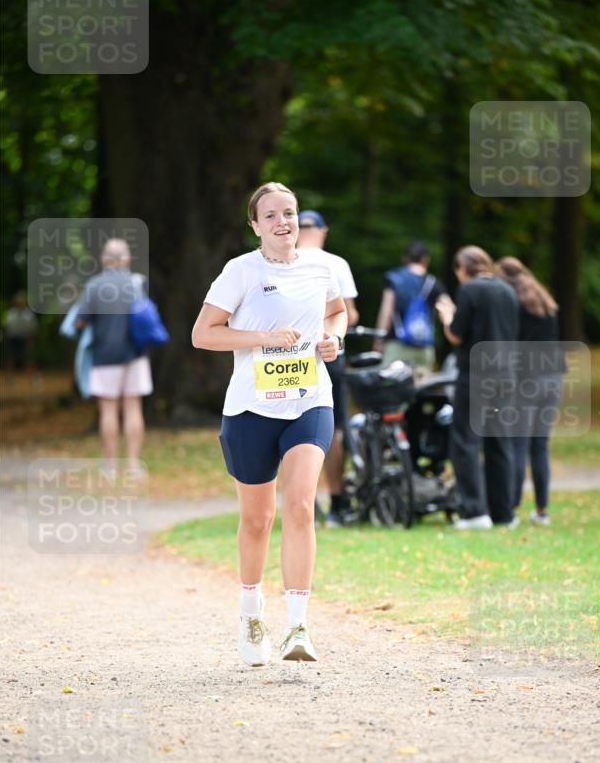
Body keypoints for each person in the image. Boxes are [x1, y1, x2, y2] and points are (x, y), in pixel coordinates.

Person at [191, 182, 347, 667]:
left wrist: (333, 341)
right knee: (257, 520)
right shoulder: (241, 271)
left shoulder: (324, 267)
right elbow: (202, 334)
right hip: (250, 409)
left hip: (309, 400)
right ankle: (250, 612)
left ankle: (298, 626)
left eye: (291, 213)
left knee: (300, 504)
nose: (284, 222)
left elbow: (337, 313)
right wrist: (262, 338)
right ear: (255, 225)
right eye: (272, 215)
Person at [436, 245, 519, 530]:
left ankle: (474, 511)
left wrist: (447, 316)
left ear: (463, 268)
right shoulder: (508, 290)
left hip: (476, 375)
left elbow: (456, 336)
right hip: (506, 376)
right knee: (499, 442)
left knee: (465, 442)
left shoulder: (470, 290)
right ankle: (503, 512)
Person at [296, 209, 359, 527]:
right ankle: (337, 501)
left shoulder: (281, 261)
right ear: (323, 231)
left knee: (286, 423)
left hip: (289, 355)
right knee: (332, 427)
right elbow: (349, 314)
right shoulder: (336, 263)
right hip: (328, 351)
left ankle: (300, 500)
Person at [75, 239, 153, 474]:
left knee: (108, 410)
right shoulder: (137, 283)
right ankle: (132, 464)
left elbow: (80, 321)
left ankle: (109, 465)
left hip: (104, 355)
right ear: (127, 259)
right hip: (135, 355)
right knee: (133, 408)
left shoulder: (94, 286)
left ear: (105, 260)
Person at [496, 256, 564, 526]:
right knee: (540, 446)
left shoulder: (514, 303)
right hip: (553, 378)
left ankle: (510, 508)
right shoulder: (545, 302)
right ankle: (542, 509)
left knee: (518, 444)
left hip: (527, 380)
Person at [374, 240, 450, 371]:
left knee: (391, 387)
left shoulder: (394, 278)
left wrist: (379, 340)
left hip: (397, 345)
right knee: (421, 389)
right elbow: (449, 308)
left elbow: (386, 311)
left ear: (405, 258)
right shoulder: (434, 282)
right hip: (424, 347)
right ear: (426, 260)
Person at [4, 291, 38, 372]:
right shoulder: (11, 313)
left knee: (28, 358)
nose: (19, 303)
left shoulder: (28, 314)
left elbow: (33, 328)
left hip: (25, 338)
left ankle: (33, 378)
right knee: (11, 358)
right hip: (13, 338)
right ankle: (10, 378)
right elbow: (8, 326)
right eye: (18, 302)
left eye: (21, 302)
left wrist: (31, 340)